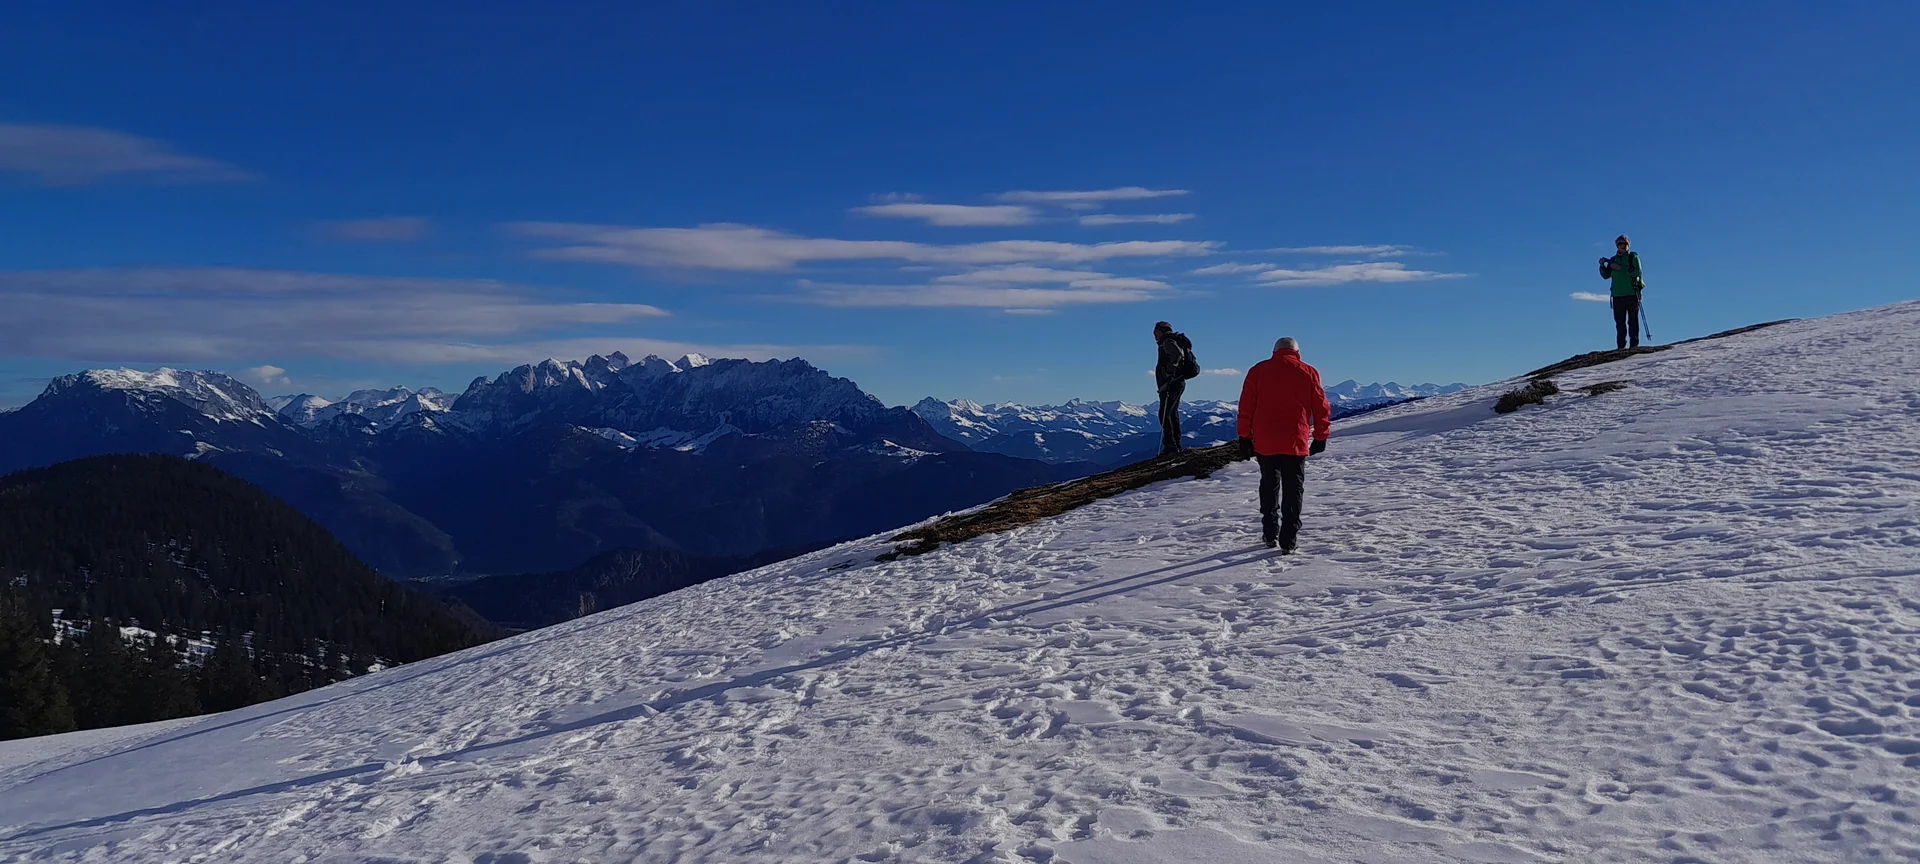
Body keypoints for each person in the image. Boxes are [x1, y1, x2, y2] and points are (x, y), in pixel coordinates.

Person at [1235, 337, 1330, 553]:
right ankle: (1289, 539)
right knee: (1293, 488)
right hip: (1295, 440)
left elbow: (1247, 405)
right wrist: (1321, 436)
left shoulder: (1258, 371)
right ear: (1297, 351)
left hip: (1266, 440)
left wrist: (1244, 436)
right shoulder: (1308, 371)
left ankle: (1270, 533)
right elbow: (1321, 407)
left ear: (1274, 351)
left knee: (1269, 485)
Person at [1153, 321, 1196, 456]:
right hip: (1176, 383)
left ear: (1161, 331)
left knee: (1165, 413)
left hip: (1172, 383)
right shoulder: (1173, 341)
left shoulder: (1168, 341)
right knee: (1172, 413)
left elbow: (1177, 355)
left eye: (1156, 332)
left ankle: (1171, 445)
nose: (1155, 336)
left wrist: (1169, 373)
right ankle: (1175, 444)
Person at [1598, 234, 1645, 350]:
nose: (1622, 246)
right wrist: (1602, 266)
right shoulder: (1613, 260)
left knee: (1633, 321)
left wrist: (1620, 268)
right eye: (1620, 244)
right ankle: (1621, 347)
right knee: (1620, 322)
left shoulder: (1633, 257)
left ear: (1629, 245)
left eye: (1624, 244)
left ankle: (1634, 346)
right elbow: (1605, 275)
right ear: (1616, 246)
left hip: (1631, 293)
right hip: (1617, 295)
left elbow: (1637, 272)